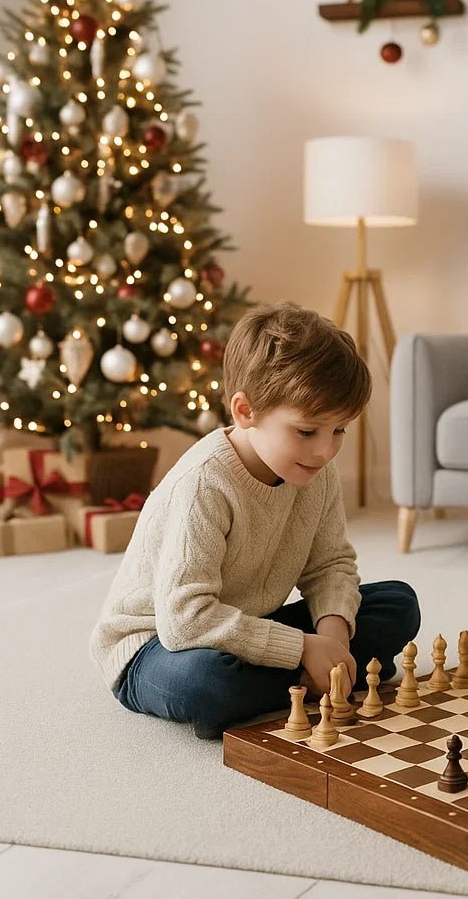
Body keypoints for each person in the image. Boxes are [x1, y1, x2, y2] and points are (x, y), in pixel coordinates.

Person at [90, 301, 420, 739]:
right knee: (206, 684)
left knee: (399, 602)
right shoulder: (204, 484)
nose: (325, 450)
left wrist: (334, 640)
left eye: (339, 430)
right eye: (307, 431)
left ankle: (317, 672)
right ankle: (318, 678)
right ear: (245, 412)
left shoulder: (315, 470)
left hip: (247, 625)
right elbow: (186, 620)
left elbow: (330, 566)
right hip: (157, 646)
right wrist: (303, 648)